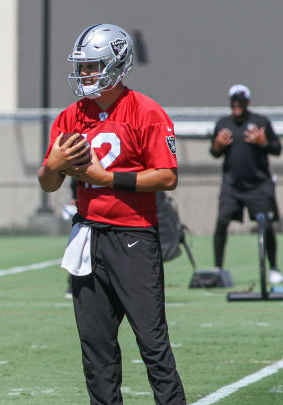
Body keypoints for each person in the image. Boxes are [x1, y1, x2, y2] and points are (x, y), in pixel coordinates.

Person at [38, 24, 186, 404]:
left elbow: (167, 176)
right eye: (83, 66)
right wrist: (51, 166)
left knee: (153, 345)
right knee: (96, 350)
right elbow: (49, 184)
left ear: (118, 64)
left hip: (133, 237)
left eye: (94, 65)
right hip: (88, 236)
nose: (86, 74)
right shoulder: (71, 116)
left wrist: (106, 178)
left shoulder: (146, 111)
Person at [210, 84, 283, 284]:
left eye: (240, 102)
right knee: (222, 221)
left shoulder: (261, 123)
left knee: (266, 226)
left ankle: (274, 267)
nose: (237, 105)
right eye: (234, 102)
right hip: (232, 186)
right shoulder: (223, 124)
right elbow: (214, 152)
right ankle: (218, 268)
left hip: (259, 186)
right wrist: (217, 146)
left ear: (247, 103)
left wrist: (263, 142)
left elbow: (277, 149)